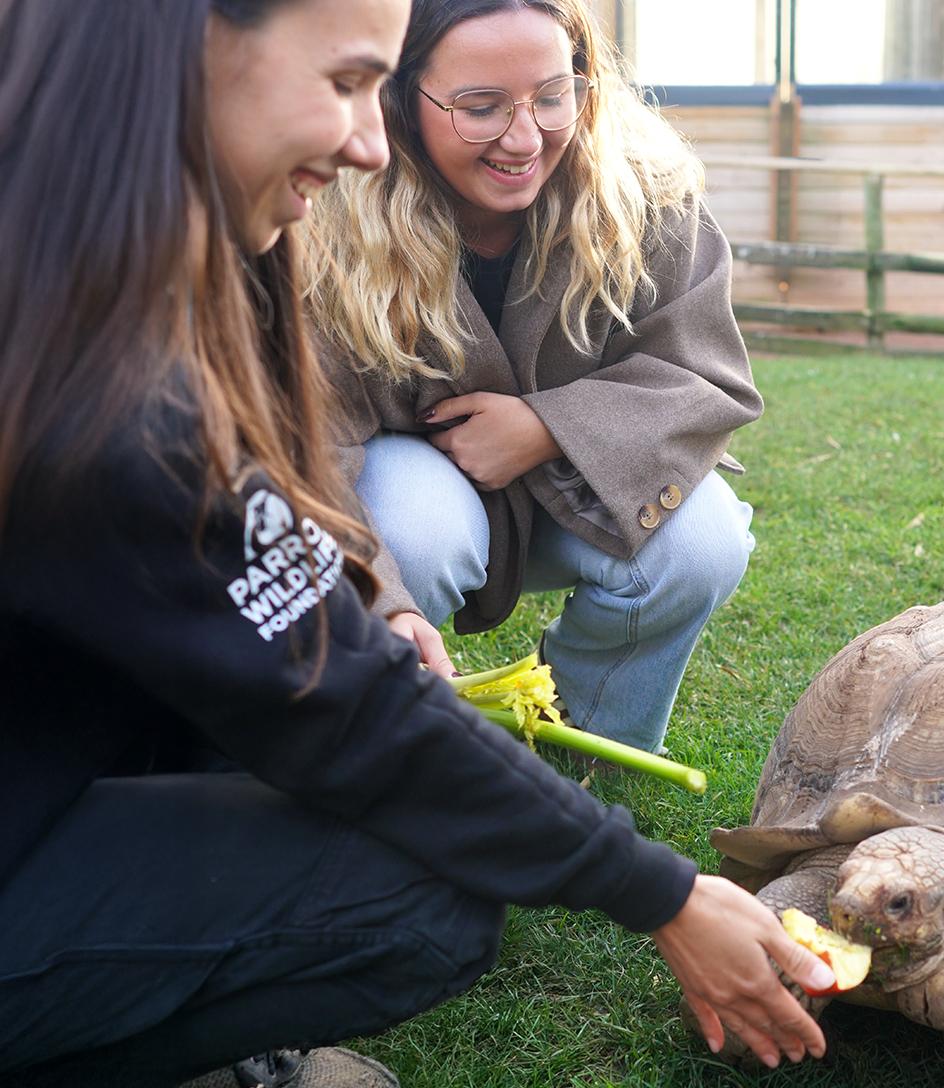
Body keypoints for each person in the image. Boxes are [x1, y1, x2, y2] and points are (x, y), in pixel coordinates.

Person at [0, 1, 834, 1087]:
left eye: (549, 95)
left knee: (239, 721)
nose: (364, 141)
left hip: (54, 778)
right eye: (349, 81)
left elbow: (284, 648)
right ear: (188, 51)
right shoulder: (114, 386)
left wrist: (380, 587)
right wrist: (658, 890)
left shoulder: (90, 285)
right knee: (423, 887)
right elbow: (345, 704)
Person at [305, 0, 762, 754]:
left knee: (703, 543)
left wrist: (548, 427)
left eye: (554, 95)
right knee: (416, 528)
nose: (526, 138)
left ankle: (583, 746)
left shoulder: (646, 192)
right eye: (480, 107)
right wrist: (378, 598)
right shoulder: (326, 220)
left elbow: (705, 375)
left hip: (575, 486)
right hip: (413, 497)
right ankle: (384, 747)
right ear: (398, 97)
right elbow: (304, 443)